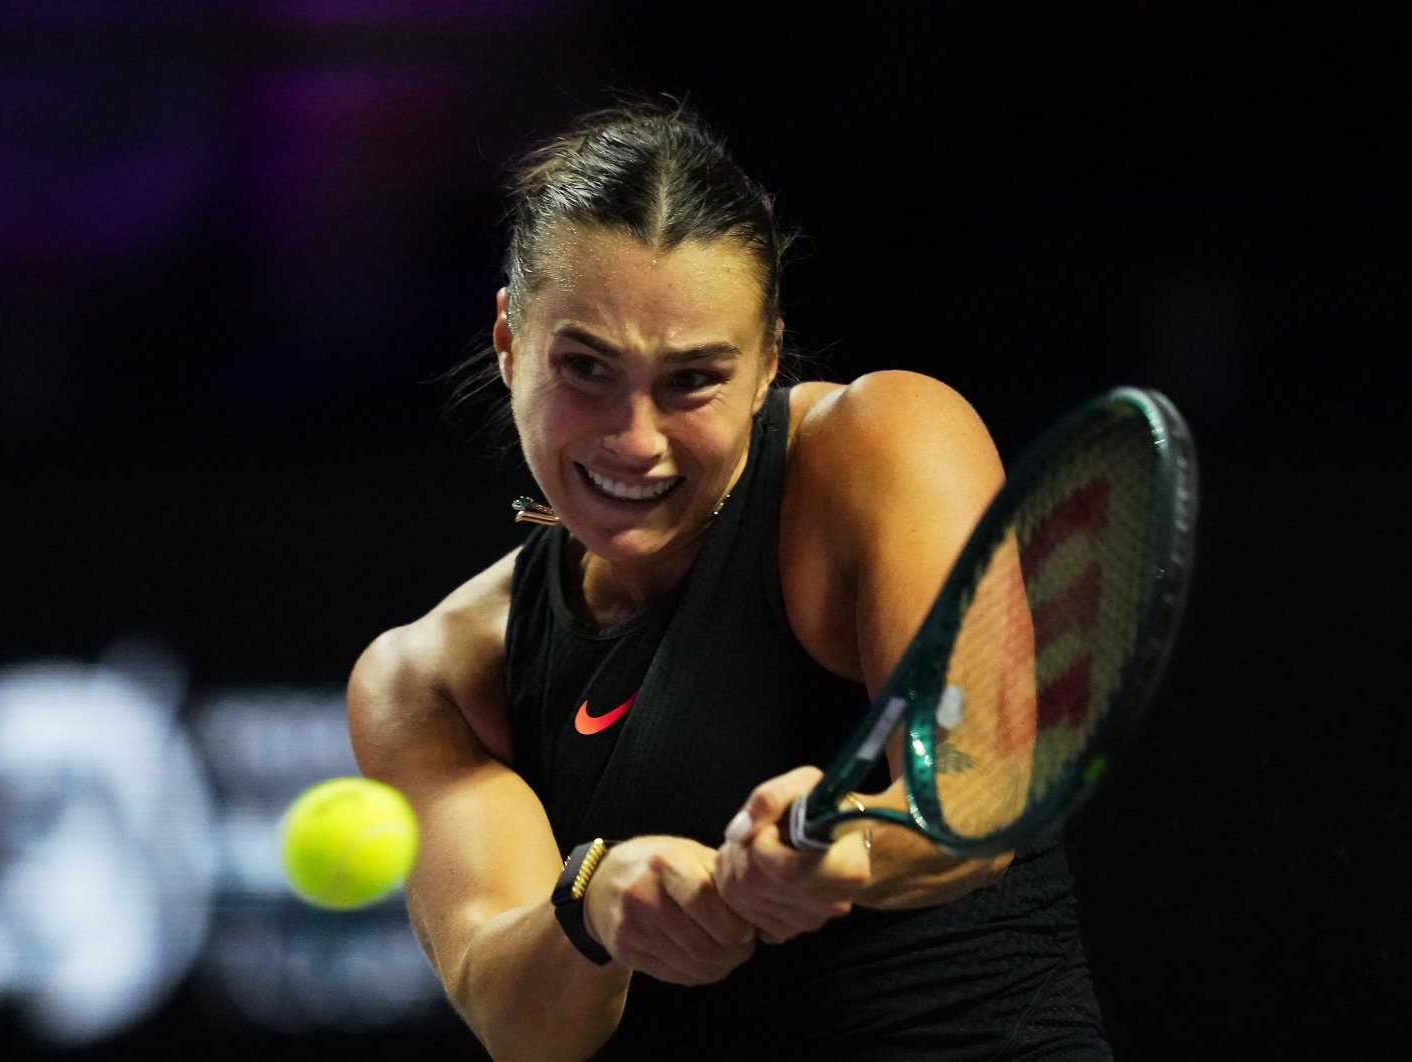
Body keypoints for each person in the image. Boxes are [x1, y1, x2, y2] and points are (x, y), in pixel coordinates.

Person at [346, 98, 1111, 1060]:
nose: (635, 439)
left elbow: (980, 795)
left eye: (692, 380)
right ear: (509, 345)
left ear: (766, 366)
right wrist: (597, 902)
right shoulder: (428, 679)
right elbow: (521, 1024)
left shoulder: (885, 447)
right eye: (585, 367)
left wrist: (847, 850)